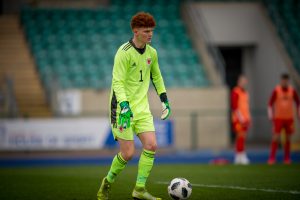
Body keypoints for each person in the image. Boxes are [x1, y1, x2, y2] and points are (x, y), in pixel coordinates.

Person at [97, 12, 171, 200]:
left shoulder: (152, 53)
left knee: (152, 145)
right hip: (121, 109)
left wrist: (165, 100)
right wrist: (124, 105)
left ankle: (139, 189)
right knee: (128, 153)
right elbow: (117, 82)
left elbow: (157, 77)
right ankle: (107, 181)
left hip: (142, 108)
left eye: (152, 31)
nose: (150, 34)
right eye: (146, 31)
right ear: (135, 31)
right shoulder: (123, 52)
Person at [267, 73, 300, 165]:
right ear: (281, 80)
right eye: (283, 80)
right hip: (278, 118)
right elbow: (270, 104)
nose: (284, 82)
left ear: (288, 81)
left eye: (286, 80)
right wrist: (271, 116)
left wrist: (298, 114)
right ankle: (272, 158)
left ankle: (287, 158)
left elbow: (298, 103)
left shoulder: (292, 91)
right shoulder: (276, 90)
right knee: (276, 137)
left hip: (289, 118)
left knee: (288, 138)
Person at [231, 75, 251, 165]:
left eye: (245, 81)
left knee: (243, 137)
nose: (244, 83)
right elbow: (235, 107)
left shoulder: (245, 93)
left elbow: (246, 107)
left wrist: (248, 118)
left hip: (245, 119)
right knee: (240, 136)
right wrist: (241, 118)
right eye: (242, 81)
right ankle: (240, 156)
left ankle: (240, 156)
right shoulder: (236, 92)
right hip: (238, 119)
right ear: (239, 82)